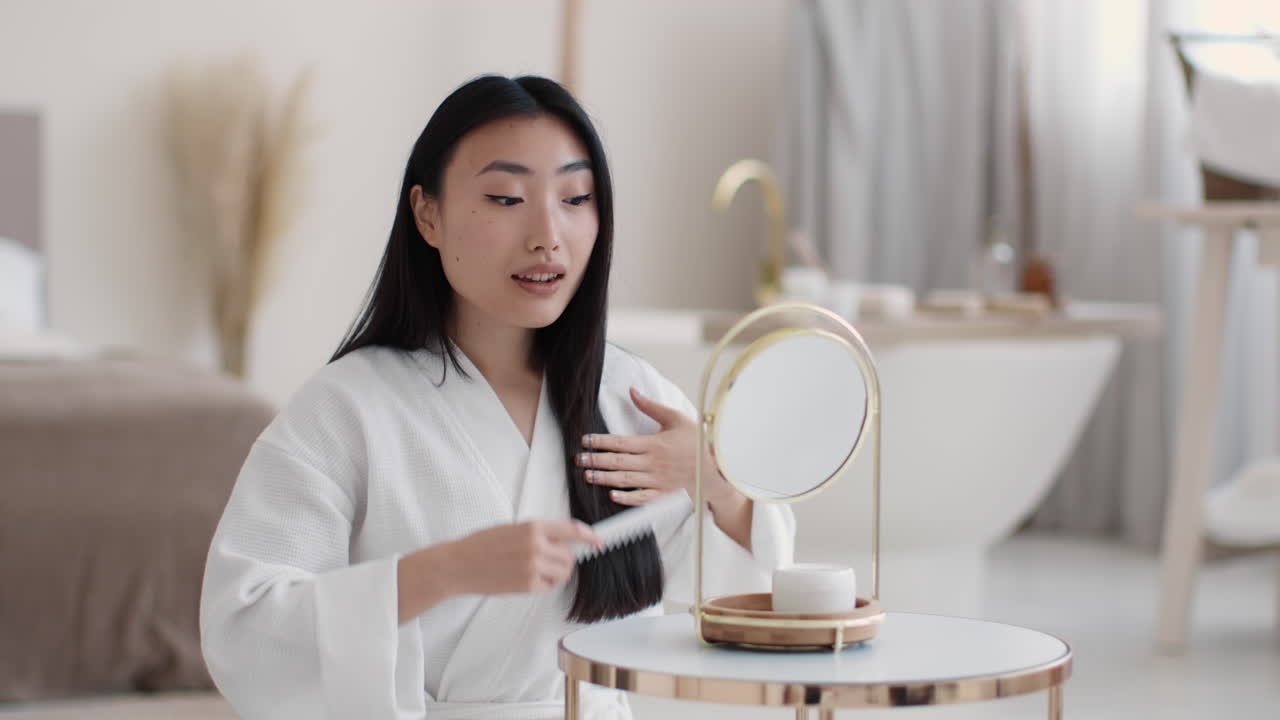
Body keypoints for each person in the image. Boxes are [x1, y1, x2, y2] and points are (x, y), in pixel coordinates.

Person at [199, 74, 795, 720]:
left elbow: (758, 602)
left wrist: (713, 480)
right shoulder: (346, 408)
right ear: (428, 214)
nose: (547, 235)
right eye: (507, 198)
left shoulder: (636, 398)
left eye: (575, 198)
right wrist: (444, 570)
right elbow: (245, 629)